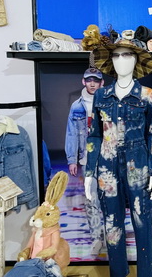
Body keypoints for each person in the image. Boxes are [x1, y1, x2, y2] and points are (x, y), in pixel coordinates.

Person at [84, 39, 152, 277]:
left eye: (127, 54)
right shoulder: (101, 95)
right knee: (111, 222)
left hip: (137, 163)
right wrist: (90, 172)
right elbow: (94, 135)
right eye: (116, 55)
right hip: (107, 164)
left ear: (136, 60)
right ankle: (118, 272)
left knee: (142, 220)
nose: (121, 60)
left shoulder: (148, 95)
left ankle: (145, 274)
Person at [64, 67, 105, 255]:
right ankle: (96, 238)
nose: (92, 84)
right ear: (83, 81)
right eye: (89, 80)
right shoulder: (77, 106)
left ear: (102, 83)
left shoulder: (108, 102)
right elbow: (71, 133)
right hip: (86, 160)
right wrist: (72, 159)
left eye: (96, 80)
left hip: (107, 158)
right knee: (90, 199)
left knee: (111, 198)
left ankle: (110, 235)